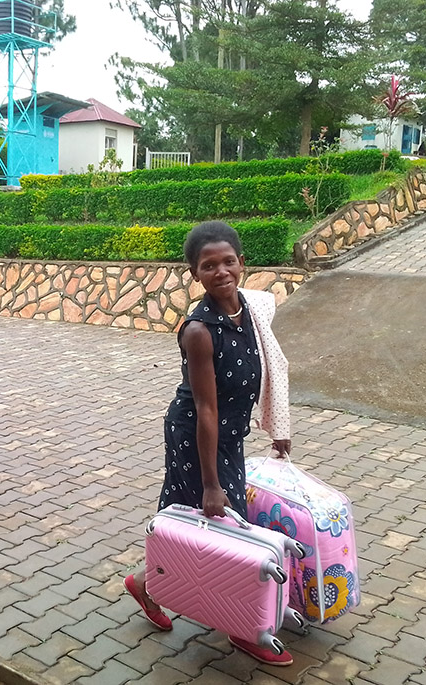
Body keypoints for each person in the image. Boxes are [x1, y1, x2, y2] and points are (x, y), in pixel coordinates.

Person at [124, 221, 295, 667]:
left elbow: (273, 366)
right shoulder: (200, 331)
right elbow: (205, 409)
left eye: (228, 261)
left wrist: (279, 424)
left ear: (242, 263)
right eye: (208, 266)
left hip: (229, 435)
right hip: (197, 437)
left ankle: (145, 583)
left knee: (200, 531)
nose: (221, 271)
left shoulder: (251, 311)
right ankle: (243, 629)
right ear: (195, 274)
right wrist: (211, 482)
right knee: (225, 526)